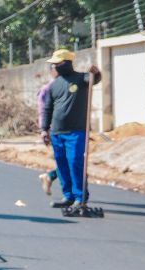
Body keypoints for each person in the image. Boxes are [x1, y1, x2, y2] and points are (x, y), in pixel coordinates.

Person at [39, 48, 104, 208]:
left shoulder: (81, 78)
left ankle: (80, 197)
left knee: (75, 163)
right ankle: (67, 196)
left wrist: (96, 73)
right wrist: (44, 129)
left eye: (56, 63)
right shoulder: (54, 86)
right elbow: (47, 109)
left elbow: (94, 80)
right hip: (57, 133)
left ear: (66, 63)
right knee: (62, 166)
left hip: (76, 132)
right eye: (53, 64)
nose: (54, 67)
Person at [35, 79, 61, 196]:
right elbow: (44, 110)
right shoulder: (49, 89)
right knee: (70, 162)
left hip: (71, 129)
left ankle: (50, 177)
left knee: (72, 162)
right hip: (56, 130)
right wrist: (44, 130)